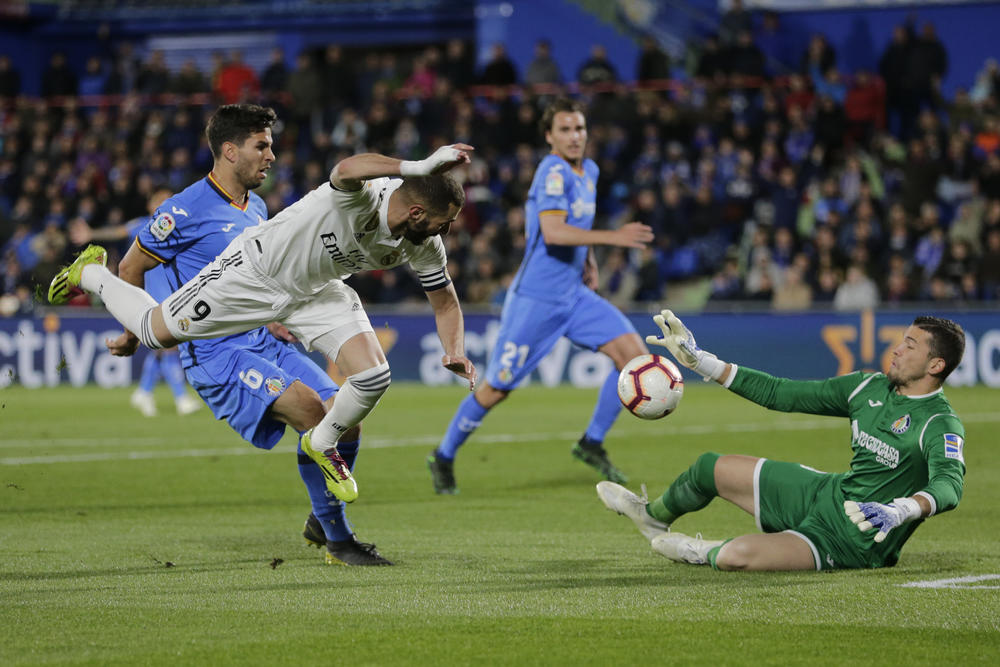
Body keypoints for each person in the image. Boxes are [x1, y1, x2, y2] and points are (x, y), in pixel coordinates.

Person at [50, 105, 476, 565]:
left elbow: (444, 299)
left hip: (300, 301)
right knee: (161, 336)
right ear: (230, 150)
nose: (272, 155)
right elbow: (133, 266)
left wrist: (454, 350)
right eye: (262, 145)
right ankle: (90, 274)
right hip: (234, 317)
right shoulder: (188, 208)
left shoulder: (258, 206)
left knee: (357, 397)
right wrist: (132, 335)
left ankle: (325, 488)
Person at [598, 310, 966, 572]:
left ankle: (701, 551)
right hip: (828, 494)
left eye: (911, 346)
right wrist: (700, 362)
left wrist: (901, 509)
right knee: (709, 468)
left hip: (855, 540)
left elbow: (950, 486)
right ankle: (652, 517)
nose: (898, 349)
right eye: (902, 340)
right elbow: (781, 393)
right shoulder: (867, 387)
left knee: (735, 556)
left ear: (935, 366)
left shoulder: (939, 423)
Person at [427, 98, 653, 494]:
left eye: (579, 128)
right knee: (497, 389)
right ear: (549, 136)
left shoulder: (591, 171)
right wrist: (613, 237)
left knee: (634, 360)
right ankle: (443, 456)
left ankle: (592, 442)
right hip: (536, 300)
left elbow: (579, 222)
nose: (574, 136)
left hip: (575, 296)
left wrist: (591, 259)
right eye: (565, 129)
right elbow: (554, 233)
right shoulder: (552, 171)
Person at [69, 187, 201, 417]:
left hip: (173, 294)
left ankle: (144, 392)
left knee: (162, 350)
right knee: (169, 346)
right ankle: (180, 399)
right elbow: (118, 232)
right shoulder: (145, 225)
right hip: (151, 296)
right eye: (159, 199)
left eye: (169, 199)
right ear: (150, 205)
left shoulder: (179, 227)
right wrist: (92, 233)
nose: (164, 203)